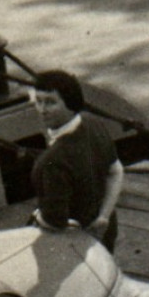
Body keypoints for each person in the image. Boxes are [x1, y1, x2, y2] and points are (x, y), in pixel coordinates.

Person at [28, 70, 124, 251]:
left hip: (73, 247)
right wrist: (103, 217)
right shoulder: (93, 123)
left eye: (50, 102)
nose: (42, 109)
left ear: (70, 103)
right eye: (38, 101)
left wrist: (36, 216)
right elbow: (116, 171)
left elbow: (54, 223)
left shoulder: (52, 161)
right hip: (105, 232)